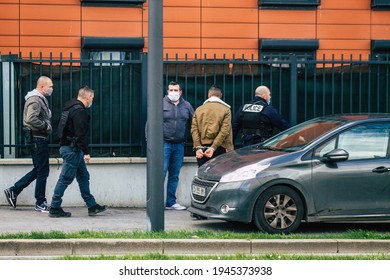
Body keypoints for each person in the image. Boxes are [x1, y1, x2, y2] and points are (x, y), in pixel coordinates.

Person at [49, 86, 107, 218]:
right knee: (65, 179)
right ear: (88, 97)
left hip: (72, 148)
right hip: (72, 149)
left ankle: (92, 206)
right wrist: (86, 152)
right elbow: (81, 134)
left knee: (83, 176)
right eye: (92, 97)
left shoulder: (70, 108)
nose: (92, 100)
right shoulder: (79, 111)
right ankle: (54, 207)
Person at [4, 76, 53, 212]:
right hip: (37, 139)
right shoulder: (35, 100)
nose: (51, 89)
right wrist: (45, 126)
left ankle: (14, 190)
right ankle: (40, 202)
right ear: (42, 86)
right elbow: (30, 119)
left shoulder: (39, 99)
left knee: (39, 170)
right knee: (43, 171)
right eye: (50, 86)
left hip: (37, 139)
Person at [163, 81, 194, 210]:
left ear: (180, 92)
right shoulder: (160, 104)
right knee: (161, 173)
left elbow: (195, 122)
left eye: (176, 90)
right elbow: (151, 123)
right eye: (171, 90)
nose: (174, 93)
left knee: (174, 174)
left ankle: (171, 202)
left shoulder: (187, 105)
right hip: (163, 143)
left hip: (179, 145)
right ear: (167, 91)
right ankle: (156, 202)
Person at [191, 85, 234, 167]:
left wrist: (198, 147)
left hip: (202, 149)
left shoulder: (199, 109)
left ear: (209, 95)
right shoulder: (226, 110)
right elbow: (225, 131)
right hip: (220, 148)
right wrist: (213, 147)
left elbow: (194, 130)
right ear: (220, 95)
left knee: (203, 176)